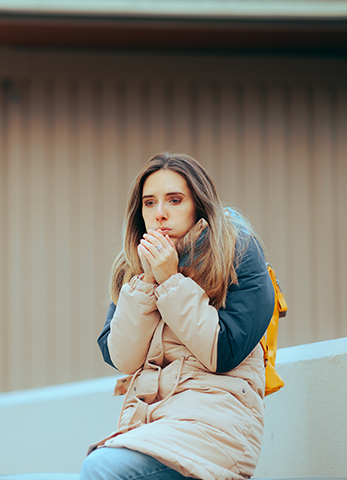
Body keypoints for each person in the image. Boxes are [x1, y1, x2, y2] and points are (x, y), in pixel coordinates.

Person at [80, 153, 275, 480]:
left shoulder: (238, 251)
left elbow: (223, 352)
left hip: (216, 429)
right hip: (152, 426)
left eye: (174, 200)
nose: (160, 214)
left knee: (101, 468)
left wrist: (171, 281)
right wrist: (146, 282)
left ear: (199, 205)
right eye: (149, 203)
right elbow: (122, 358)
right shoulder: (135, 267)